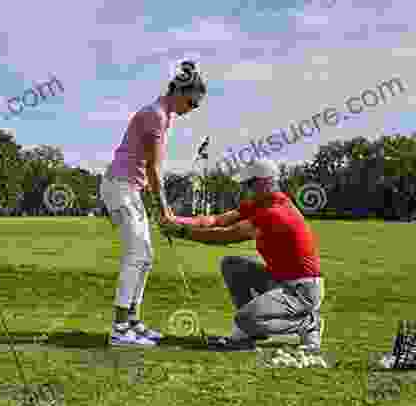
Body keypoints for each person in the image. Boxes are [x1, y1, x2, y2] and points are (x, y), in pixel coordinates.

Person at [160, 158, 325, 351]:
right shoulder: (259, 204)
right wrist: (174, 221)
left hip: (301, 291)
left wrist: (180, 232)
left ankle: (308, 323)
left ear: (264, 183)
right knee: (232, 265)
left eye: (249, 184)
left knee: (244, 319)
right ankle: (252, 331)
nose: (246, 189)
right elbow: (217, 221)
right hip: (280, 281)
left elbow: (225, 236)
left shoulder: (275, 212)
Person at [100, 60, 207, 346]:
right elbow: (154, 169)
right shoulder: (156, 115)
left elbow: (147, 170)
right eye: (192, 103)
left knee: (145, 257)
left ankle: (133, 322)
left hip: (131, 189)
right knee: (136, 255)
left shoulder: (167, 116)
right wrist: (165, 210)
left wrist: (154, 200)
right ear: (180, 92)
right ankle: (119, 329)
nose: (192, 109)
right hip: (119, 188)